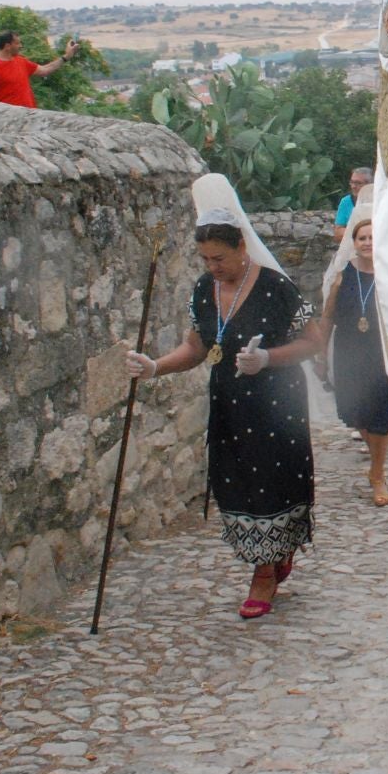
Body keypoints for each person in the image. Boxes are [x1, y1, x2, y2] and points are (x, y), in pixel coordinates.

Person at [124, 196, 324, 619]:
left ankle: (264, 574)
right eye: (205, 258)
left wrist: (267, 358)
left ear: (241, 247)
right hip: (230, 405)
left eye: (219, 258)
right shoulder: (204, 290)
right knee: (238, 483)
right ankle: (274, 555)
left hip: (277, 405)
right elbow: (197, 348)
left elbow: (313, 341)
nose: (212, 266)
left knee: (272, 483)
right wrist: (155, 367)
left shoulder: (275, 287)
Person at [318, 208, 388, 506]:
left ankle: (378, 474)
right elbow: (327, 318)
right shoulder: (342, 278)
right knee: (358, 415)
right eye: (362, 238)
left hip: (384, 355)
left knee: (381, 417)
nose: (367, 242)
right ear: (354, 243)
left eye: (373, 237)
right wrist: (320, 356)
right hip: (350, 356)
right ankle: (375, 457)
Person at [0, 30, 78, 108]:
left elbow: (45, 70)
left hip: (29, 116)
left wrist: (66, 57)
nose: (20, 46)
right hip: (9, 120)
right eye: (17, 43)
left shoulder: (21, 61)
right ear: (7, 46)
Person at [334, 167, 372, 242]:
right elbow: (338, 233)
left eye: (358, 183)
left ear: (369, 184)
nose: (353, 186)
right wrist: (360, 232)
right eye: (352, 182)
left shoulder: (380, 201)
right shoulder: (346, 202)